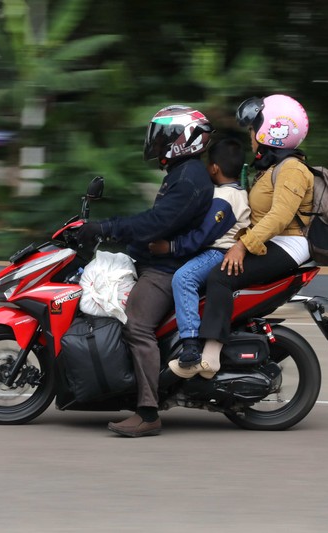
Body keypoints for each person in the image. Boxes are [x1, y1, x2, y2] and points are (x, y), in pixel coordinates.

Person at [75, 105, 214, 437]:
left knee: (137, 325)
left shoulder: (189, 178)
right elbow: (156, 222)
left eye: (165, 135)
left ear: (185, 139)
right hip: (156, 262)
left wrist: (109, 227)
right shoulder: (181, 174)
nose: (157, 141)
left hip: (166, 270)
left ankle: (148, 411)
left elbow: (157, 223)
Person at [175, 94, 315, 379]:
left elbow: (279, 217)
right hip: (274, 241)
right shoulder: (274, 168)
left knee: (220, 276)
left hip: (288, 244)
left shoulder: (293, 170)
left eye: (254, 128)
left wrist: (241, 246)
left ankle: (209, 357)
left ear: (272, 131)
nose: (251, 135)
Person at [146, 138, 251, 376]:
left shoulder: (226, 198)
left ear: (214, 168)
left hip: (219, 252)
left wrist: (170, 247)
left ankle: (190, 345)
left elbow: (202, 236)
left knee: (184, 278)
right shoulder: (229, 192)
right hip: (214, 249)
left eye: (207, 165)